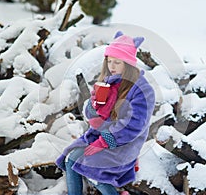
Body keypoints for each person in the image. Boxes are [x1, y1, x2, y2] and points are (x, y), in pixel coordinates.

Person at [55, 31, 155, 195]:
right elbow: (92, 115)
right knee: (70, 159)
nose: (112, 66)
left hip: (123, 144)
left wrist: (104, 141)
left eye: (117, 62)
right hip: (98, 137)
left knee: (93, 172)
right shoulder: (109, 81)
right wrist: (94, 106)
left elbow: (133, 126)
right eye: (109, 61)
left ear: (128, 64)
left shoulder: (142, 90)